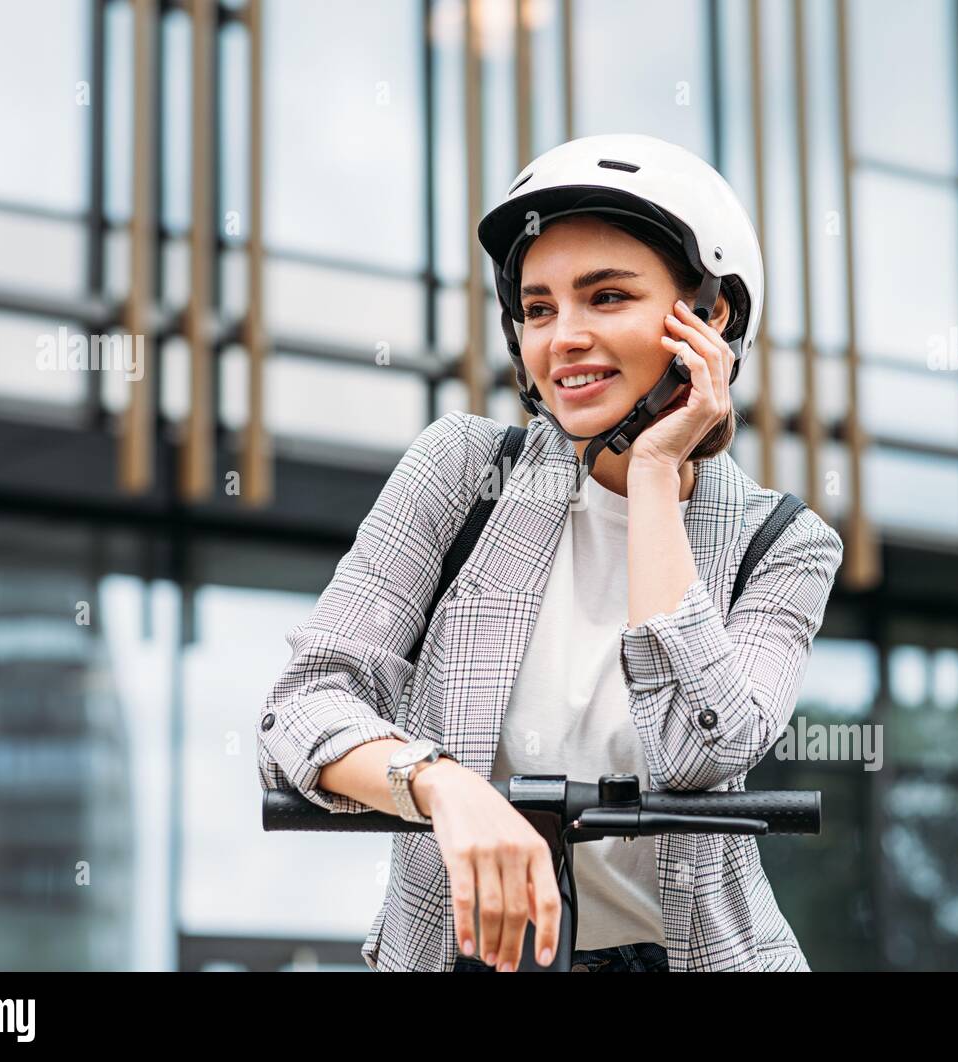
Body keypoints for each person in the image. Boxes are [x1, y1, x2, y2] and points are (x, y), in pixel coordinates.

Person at [257, 133, 843, 973]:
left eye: (607, 297)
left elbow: (695, 751)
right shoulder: (462, 470)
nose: (563, 336)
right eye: (538, 308)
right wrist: (442, 786)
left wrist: (651, 474)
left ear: (710, 319)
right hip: (467, 957)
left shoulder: (784, 543)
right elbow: (301, 709)